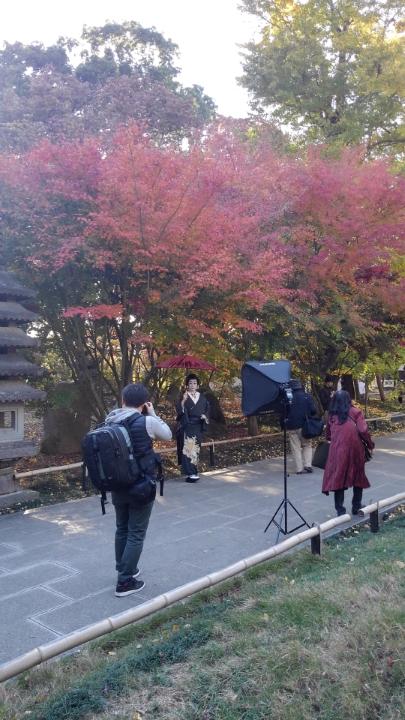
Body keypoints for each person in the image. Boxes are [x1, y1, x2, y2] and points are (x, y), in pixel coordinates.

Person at [105, 383, 172, 597]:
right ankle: (125, 581)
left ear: (122, 400)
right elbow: (168, 435)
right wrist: (152, 413)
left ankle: (124, 567)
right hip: (141, 485)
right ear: (144, 404)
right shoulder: (147, 422)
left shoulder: (110, 419)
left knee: (121, 528)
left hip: (117, 484)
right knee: (136, 532)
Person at [322, 390, 374, 517]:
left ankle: (340, 511)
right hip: (355, 449)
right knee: (358, 476)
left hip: (337, 451)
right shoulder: (356, 412)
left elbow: (328, 435)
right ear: (348, 399)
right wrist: (370, 444)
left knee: (338, 477)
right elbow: (363, 430)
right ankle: (356, 506)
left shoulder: (332, 415)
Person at [175, 373, 210, 483]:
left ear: (198, 385)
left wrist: (205, 416)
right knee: (189, 448)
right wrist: (183, 401)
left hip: (198, 425)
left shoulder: (202, 397)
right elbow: (180, 411)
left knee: (196, 448)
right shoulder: (183, 396)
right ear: (187, 385)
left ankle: (194, 471)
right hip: (188, 425)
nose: (192, 385)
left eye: (195, 383)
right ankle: (191, 473)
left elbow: (208, 409)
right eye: (190, 383)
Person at [284, 379, 318, 474]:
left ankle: (299, 469)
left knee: (296, 448)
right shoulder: (307, 396)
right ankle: (308, 465)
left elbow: (284, 412)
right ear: (300, 386)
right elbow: (314, 410)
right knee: (307, 444)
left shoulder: (288, 398)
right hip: (304, 425)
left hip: (292, 426)